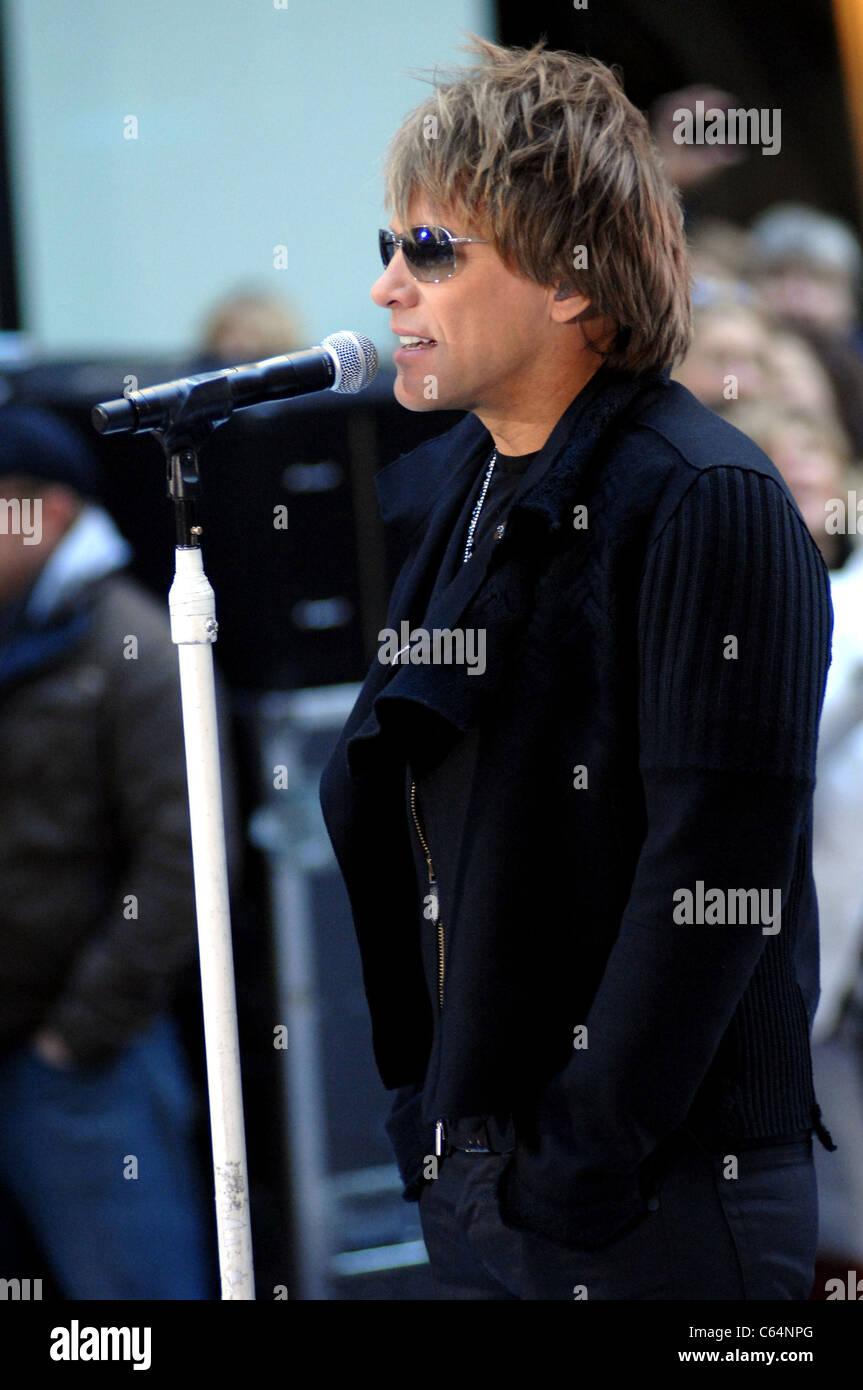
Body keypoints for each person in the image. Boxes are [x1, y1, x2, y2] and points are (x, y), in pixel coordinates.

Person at [319, 35, 834, 1301]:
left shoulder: (702, 491)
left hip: (650, 1192)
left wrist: (577, 1155)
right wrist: (429, 1113)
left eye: (430, 250)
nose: (388, 289)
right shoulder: (472, 485)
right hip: (497, 1176)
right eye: (385, 250)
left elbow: (711, 875)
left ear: (567, 276)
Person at [0, 406, 217, 1299]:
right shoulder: (18, 631)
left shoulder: (133, 643)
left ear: (47, 513)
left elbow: (186, 862)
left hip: (83, 1071)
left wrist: (75, 1037)